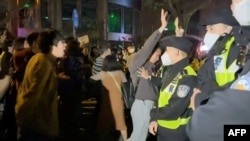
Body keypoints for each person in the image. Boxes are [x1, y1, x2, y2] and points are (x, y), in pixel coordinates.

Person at [15, 30, 66, 141]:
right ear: (52, 46)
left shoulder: (41, 59)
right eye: (62, 42)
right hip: (37, 127)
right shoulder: (43, 62)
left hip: (38, 125)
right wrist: (23, 119)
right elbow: (32, 94)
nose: (65, 46)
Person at [191, 8, 242, 109]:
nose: (207, 34)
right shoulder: (218, 51)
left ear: (228, 29)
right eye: (207, 30)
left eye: (212, 29)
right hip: (218, 110)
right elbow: (204, 78)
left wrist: (205, 96)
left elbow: (241, 85)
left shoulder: (243, 50)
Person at [127, 9, 166, 141]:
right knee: (138, 137)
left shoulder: (154, 67)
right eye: (157, 54)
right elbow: (147, 47)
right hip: (142, 105)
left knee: (140, 137)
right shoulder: (138, 64)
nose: (158, 57)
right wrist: (161, 29)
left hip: (149, 106)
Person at [148, 36, 197, 141]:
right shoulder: (170, 71)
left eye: (167, 50)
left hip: (176, 133)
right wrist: (154, 119)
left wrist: (153, 113)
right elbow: (161, 96)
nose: (164, 53)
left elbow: (173, 109)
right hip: (163, 128)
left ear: (176, 53)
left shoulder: (188, 77)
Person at [91, 55, 128, 141]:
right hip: (118, 101)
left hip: (107, 102)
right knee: (121, 124)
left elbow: (91, 79)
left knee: (105, 123)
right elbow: (125, 85)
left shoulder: (103, 74)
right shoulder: (120, 73)